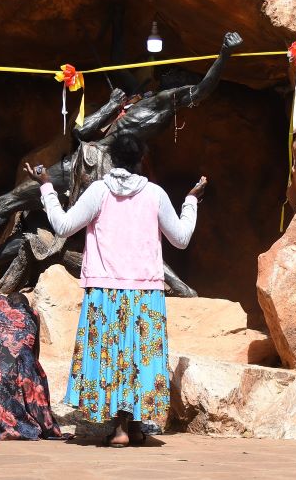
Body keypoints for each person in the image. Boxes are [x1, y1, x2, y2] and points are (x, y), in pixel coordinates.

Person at [0, 31, 243, 298]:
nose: (171, 74)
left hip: (100, 168)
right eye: (170, 71)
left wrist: (224, 55)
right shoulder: (140, 95)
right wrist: (117, 23)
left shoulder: (168, 101)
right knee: (10, 203)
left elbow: (203, 89)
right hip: (86, 159)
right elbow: (105, 88)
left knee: (20, 207)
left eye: (178, 74)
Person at [25, 130, 206, 447]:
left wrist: (46, 188)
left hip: (104, 289)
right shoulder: (155, 194)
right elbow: (181, 238)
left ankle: (119, 427)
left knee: (111, 355)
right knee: (138, 355)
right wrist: (191, 201)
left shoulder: (98, 191)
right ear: (141, 160)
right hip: (145, 291)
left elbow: (64, 226)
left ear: (111, 159)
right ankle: (135, 426)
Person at [0, 275, 65, 441]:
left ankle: (5, 424)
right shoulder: (34, 315)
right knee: (28, 367)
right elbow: (35, 358)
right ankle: (33, 421)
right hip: (25, 369)